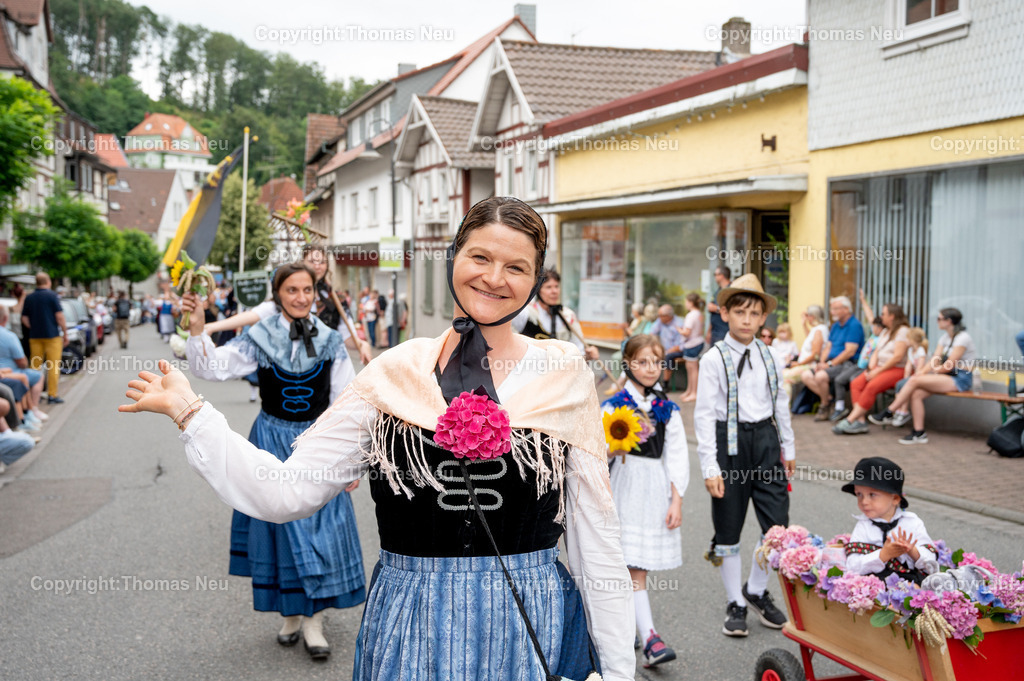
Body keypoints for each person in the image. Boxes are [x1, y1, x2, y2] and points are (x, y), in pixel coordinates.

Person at [120, 196, 635, 680]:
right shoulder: (393, 374)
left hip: (532, 622)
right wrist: (191, 411)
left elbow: (596, 538)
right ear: (454, 256)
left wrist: (616, 670)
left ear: (535, 278)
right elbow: (284, 492)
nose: (494, 278)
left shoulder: (563, 373)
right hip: (412, 623)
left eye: (517, 267)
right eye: (480, 256)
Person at [180, 262, 366, 661]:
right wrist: (198, 327)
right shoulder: (258, 338)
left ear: (316, 293)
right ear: (277, 294)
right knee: (280, 530)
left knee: (320, 531)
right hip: (269, 440)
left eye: (307, 290)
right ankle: (292, 614)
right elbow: (210, 369)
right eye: (291, 290)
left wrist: (352, 458)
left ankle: (314, 619)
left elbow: (347, 402)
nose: (301, 298)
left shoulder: (331, 340)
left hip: (318, 444)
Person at [694, 273, 794, 638]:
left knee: (777, 526)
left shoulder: (772, 356)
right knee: (729, 527)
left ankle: (756, 587)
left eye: (754, 313)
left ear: (763, 318)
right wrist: (710, 466)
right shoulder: (713, 359)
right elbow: (704, 415)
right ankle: (735, 599)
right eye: (740, 312)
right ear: (725, 314)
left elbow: (780, 404)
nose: (747, 319)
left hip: (766, 440)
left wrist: (789, 448)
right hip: (729, 442)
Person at [602, 334, 688, 668]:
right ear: (628, 364)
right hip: (624, 485)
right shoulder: (614, 406)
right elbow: (598, 453)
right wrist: (616, 444)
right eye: (641, 362)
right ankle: (649, 636)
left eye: (655, 362)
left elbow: (677, 456)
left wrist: (676, 500)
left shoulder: (667, 409)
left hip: (653, 489)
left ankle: (637, 629)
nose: (650, 369)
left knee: (638, 565)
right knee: (629, 565)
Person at [869, 308, 977, 445]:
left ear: (948, 321)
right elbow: (934, 359)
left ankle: (890, 411)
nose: (936, 321)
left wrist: (930, 373)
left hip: (960, 378)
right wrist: (923, 372)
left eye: (939, 318)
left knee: (914, 380)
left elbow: (949, 365)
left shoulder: (963, 338)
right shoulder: (945, 338)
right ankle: (919, 433)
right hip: (945, 375)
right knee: (916, 394)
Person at [842, 457, 937, 583]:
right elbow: (852, 567)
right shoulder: (863, 526)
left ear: (895, 499)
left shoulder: (912, 523)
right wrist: (883, 555)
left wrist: (913, 552)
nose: (864, 502)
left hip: (910, 581)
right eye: (859, 494)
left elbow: (932, 566)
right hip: (875, 585)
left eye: (872, 495)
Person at [832, 303, 910, 435]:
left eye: (883, 314)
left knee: (871, 386)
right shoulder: (885, 331)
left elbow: (898, 357)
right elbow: (876, 352)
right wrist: (872, 368)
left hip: (897, 369)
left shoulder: (903, 331)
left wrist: (877, 372)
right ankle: (860, 421)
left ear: (892, 316)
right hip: (879, 368)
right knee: (856, 382)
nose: (881, 316)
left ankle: (851, 419)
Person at [512, 269, 600, 361]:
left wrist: (588, 356)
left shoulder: (568, 315)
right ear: (538, 290)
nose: (554, 291)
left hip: (560, 371)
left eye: (556, 286)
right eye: (548, 287)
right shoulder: (527, 313)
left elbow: (578, 351)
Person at [801, 296, 865, 421]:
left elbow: (849, 352)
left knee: (820, 376)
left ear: (846, 309)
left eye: (835, 309)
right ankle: (829, 400)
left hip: (847, 364)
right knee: (806, 376)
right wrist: (822, 362)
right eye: (832, 309)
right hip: (831, 363)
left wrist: (829, 364)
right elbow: (828, 347)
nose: (832, 312)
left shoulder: (854, 325)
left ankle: (825, 405)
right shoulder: (836, 326)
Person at [21, 272, 69, 405]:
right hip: (52, 336)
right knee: (53, 366)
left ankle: (33, 395)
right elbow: (59, 316)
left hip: (35, 337)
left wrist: (33, 326)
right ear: (48, 282)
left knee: (35, 366)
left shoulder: (29, 297)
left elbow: (24, 318)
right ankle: (52, 395)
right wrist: (65, 333)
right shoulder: (52, 296)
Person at [830, 316, 885, 423]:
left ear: (880, 328)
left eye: (874, 326)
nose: (872, 328)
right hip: (859, 365)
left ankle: (858, 415)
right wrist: (863, 301)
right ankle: (839, 408)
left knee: (854, 381)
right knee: (839, 379)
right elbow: (870, 316)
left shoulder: (883, 338)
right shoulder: (874, 335)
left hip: (868, 368)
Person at [0, 306, 48, 427]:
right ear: (5, 318)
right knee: (33, 377)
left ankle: (27, 414)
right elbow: (22, 362)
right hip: (9, 371)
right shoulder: (9, 336)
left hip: (6, 371)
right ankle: (29, 413)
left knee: (22, 378)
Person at [781, 306, 828, 396]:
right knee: (782, 373)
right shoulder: (817, 329)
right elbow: (810, 340)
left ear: (813, 316)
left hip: (810, 366)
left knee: (783, 377)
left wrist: (799, 364)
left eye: (807, 315)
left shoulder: (819, 330)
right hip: (806, 365)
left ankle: (785, 407)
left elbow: (815, 354)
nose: (806, 317)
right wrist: (804, 324)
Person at [649, 304, 687, 388]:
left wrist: (665, 352)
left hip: (678, 350)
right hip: (664, 349)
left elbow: (680, 345)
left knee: (668, 357)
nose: (659, 317)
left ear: (668, 316)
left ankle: (665, 384)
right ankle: (651, 382)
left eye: (661, 316)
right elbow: (652, 333)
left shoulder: (679, 323)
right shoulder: (660, 320)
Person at [677, 293, 706, 402]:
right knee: (691, 369)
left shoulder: (691, 315)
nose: (685, 304)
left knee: (692, 369)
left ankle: (694, 392)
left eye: (686, 302)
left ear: (690, 302)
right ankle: (690, 390)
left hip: (692, 344)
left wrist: (679, 330)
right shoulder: (699, 313)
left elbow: (687, 332)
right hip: (697, 342)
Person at [706, 265, 732, 346]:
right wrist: (709, 331)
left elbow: (734, 309)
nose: (714, 277)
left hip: (725, 331)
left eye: (715, 274)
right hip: (715, 331)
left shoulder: (732, 289)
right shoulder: (718, 290)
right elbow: (712, 313)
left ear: (721, 275)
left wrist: (716, 308)